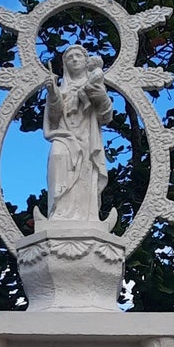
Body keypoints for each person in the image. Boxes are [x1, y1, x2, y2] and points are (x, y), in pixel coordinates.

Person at [44, 45, 113, 222]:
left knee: (85, 175)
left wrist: (99, 96)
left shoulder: (95, 84)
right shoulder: (60, 89)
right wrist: (53, 94)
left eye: (78, 56)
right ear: (65, 64)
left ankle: (86, 218)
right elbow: (53, 117)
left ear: (85, 61)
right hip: (63, 136)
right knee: (57, 157)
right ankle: (57, 213)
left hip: (87, 139)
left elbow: (106, 115)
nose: (74, 59)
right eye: (69, 57)